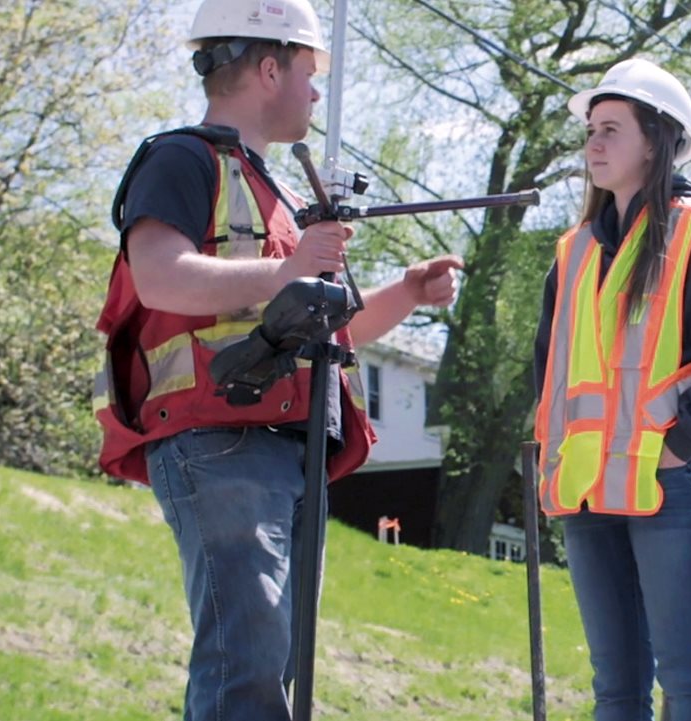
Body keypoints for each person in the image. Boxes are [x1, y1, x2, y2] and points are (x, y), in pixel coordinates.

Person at [92, 0, 462, 717]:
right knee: (248, 669)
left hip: (280, 452)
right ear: (269, 68)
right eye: (308, 72)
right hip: (217, 440)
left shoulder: (278, 193)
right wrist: (289, 270)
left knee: (273, 668)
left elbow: (333, 331)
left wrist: (408, 292)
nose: (318, 92)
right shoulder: (181, 158)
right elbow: (160, 275)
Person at [533, 58, 691, 721]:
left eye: (611, 128)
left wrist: (683, 441)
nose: (593, 143)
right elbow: (551, 376)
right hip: (588, 489)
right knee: (614, 689)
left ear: (658, 140)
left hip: (673, 484)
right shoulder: (572, 253)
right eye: (591, 129)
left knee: (689, 679)